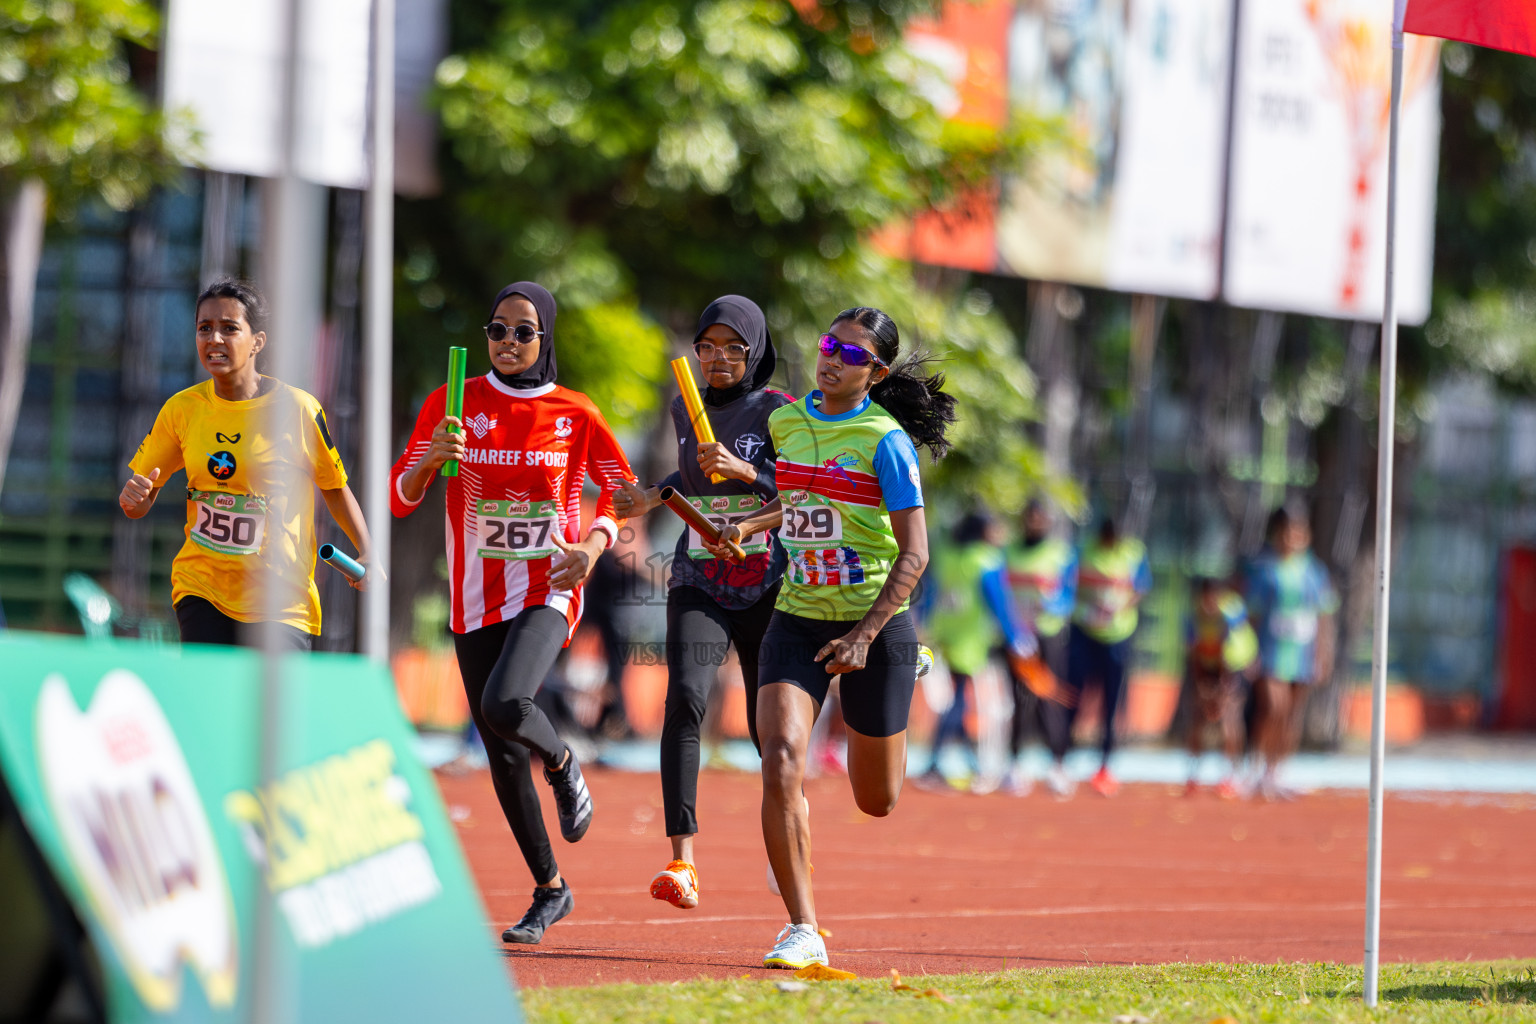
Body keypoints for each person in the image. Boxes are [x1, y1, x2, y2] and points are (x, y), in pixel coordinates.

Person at [708, 306, 956, 970]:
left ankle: (909, 660)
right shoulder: (787, 422)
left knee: (876, 800)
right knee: (781, 757)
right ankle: (803, 928)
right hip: (797, 616)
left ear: (874, 372)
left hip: (874, 623)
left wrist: (867, 636)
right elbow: (802, 498)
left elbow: (915, 555)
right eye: (826, 343)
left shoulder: (887, 442)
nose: (830, 357)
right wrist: (752, 525)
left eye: (849, 353)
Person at [390, 281, 634, 944]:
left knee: (505, 704)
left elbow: (625, 492)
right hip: (475, 594)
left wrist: (592, 543)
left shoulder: (574, 412)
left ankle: (562, 763)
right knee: (500, 756)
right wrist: (429, 461)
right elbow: (400, 497)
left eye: (524, 332)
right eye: (497, 330)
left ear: (544, 338)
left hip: (550, 584)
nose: (508, 343)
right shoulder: (452, 403)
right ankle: (550, 890)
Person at [608, 295, 792, 913]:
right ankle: (682, 860)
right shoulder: (684, 408)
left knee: (773, 727)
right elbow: (689, 482)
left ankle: (785, 841)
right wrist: (649, 499)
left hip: (766, 579)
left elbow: (800, 493)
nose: (717, 359)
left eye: (732, 348)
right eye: (707, 346)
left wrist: (745, 471)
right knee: (684, 699)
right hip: (699, 575)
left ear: (755, 350)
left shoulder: (781, 413)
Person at [118, 278, 374, 648]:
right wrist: (134, 499)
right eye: (204, 328)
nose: (214, 339)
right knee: (210, 704)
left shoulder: (298, 409)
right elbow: (138, 502)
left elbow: (334, 487)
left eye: (229, 328)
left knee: (270, 708)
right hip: (202, 587)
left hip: (280, 600)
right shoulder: (182, 410)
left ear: (257, 341)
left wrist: (367, 549)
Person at [918, 512, 1035, 792]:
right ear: (983, 531)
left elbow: (932, 591)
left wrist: (923, 623)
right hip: (970, 638)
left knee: (956, 697)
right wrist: (1016, 636)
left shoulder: (949, 554)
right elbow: (999, 602)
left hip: (943, 632)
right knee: (958, 700)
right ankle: (934, 764)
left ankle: (967, 761)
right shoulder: (986, 559)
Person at [1244, 504, 1338, 800]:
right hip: (1272, 652)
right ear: (1276, 534)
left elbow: (1324, 614)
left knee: (1292, 715)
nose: (1292, 539)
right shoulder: (1265, 570)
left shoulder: (1314, 571)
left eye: (1298, 533)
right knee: (1274, 707)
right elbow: (1252, 615)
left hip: (1303, 654)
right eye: (1286, 533)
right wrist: (1250, 652)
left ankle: (1277, 771)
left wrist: (1324, 653)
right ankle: (1256, 768)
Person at [1065, 516, 1151, 797]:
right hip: (1085, 633)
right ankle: (1063, 761)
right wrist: (1087, 606)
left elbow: (1141, 588)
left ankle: (1104, 767)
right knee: (1074, 696)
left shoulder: (1133, 553)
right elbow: (1069, 583)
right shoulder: (1084, 549)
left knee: (1111, 704)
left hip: (1117, 636)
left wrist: (1119, 605)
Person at [1003, 499, 1078, 796]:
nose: (1034, 522)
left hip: (1048, 637)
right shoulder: (1008, 552)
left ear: (1047, 521)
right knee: (1020, 702)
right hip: (1018, 639)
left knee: (1049, 698)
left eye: (1039, 517)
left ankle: (1057, 766)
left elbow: (1068, 596)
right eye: (1029, 517)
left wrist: (1052, 606)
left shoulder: (1061, 554)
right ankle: (1015, 767)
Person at [1183, 576, 1258, 797]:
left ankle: (1231, 777)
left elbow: (1230, 655)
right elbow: (1194, 653)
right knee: (1198, 717)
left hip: (1234, 667)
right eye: (1205, 599)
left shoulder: (1231, 615)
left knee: (1229, 718)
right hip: (1208, 665)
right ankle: (1192, 775)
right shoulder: (1193, 617)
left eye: (1214, 599)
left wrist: (1223, 690)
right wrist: (1201, 687)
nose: (1209, 604)